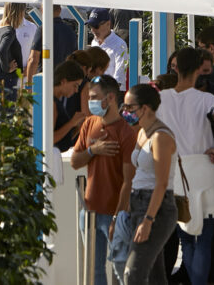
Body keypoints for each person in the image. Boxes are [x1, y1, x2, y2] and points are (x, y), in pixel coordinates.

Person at [157, 48, 214, 285]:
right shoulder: (206, 99)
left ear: (176, 68)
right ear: (198, 70)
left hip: (176, 172)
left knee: (186, 238)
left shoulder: (161, 98)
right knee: (204, 238)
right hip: (204, 170)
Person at [72, 75, 136, 285]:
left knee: (120, 269)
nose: (90, 102)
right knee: (94, 270)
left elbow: (128, 180)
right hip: (89, 211)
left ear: (110, 98)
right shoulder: (89, 123)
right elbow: (75, 161)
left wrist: (118, 217)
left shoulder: (126, 132)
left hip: (114, 213)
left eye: (94, 97)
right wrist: (93, 150)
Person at [121, 83, 178, 285]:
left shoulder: (161, 137)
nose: (125, 111)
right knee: (154, 274)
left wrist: (148, 220)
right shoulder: (142, 132)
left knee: (133, 273)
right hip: (139, 201)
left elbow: (161, 183)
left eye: (129, 107)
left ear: (144, 108)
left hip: (156, 207)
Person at [0, 2, 37, 89]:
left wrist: (29, 70)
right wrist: (6, 69)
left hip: (25, 79)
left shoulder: (32, 28)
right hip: (4, 80)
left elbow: (37, 53)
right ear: (22, 10)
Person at [26, 4, 79, 81]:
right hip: (65, 80)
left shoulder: (43, 29)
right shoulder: (70, 31)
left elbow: (33, 59)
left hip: (45, 80)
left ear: (43, 11)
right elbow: (74, 58)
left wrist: (29, 84)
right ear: (60, 10)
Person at [89, 8, 129, 88]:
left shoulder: (120, 44)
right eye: (91, 26)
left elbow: (120, 75)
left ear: (108, 24)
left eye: (96, 26)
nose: (92, 30)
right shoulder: (94, 42)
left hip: (111, 90)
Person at [53, 60, 87, 151]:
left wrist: (77, 127)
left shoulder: (57, 101)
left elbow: (63, 137)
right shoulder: (52, 103)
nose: (76, 90)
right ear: (63, 81)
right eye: (75, 85)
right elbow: (49, 138)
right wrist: (72, 122)